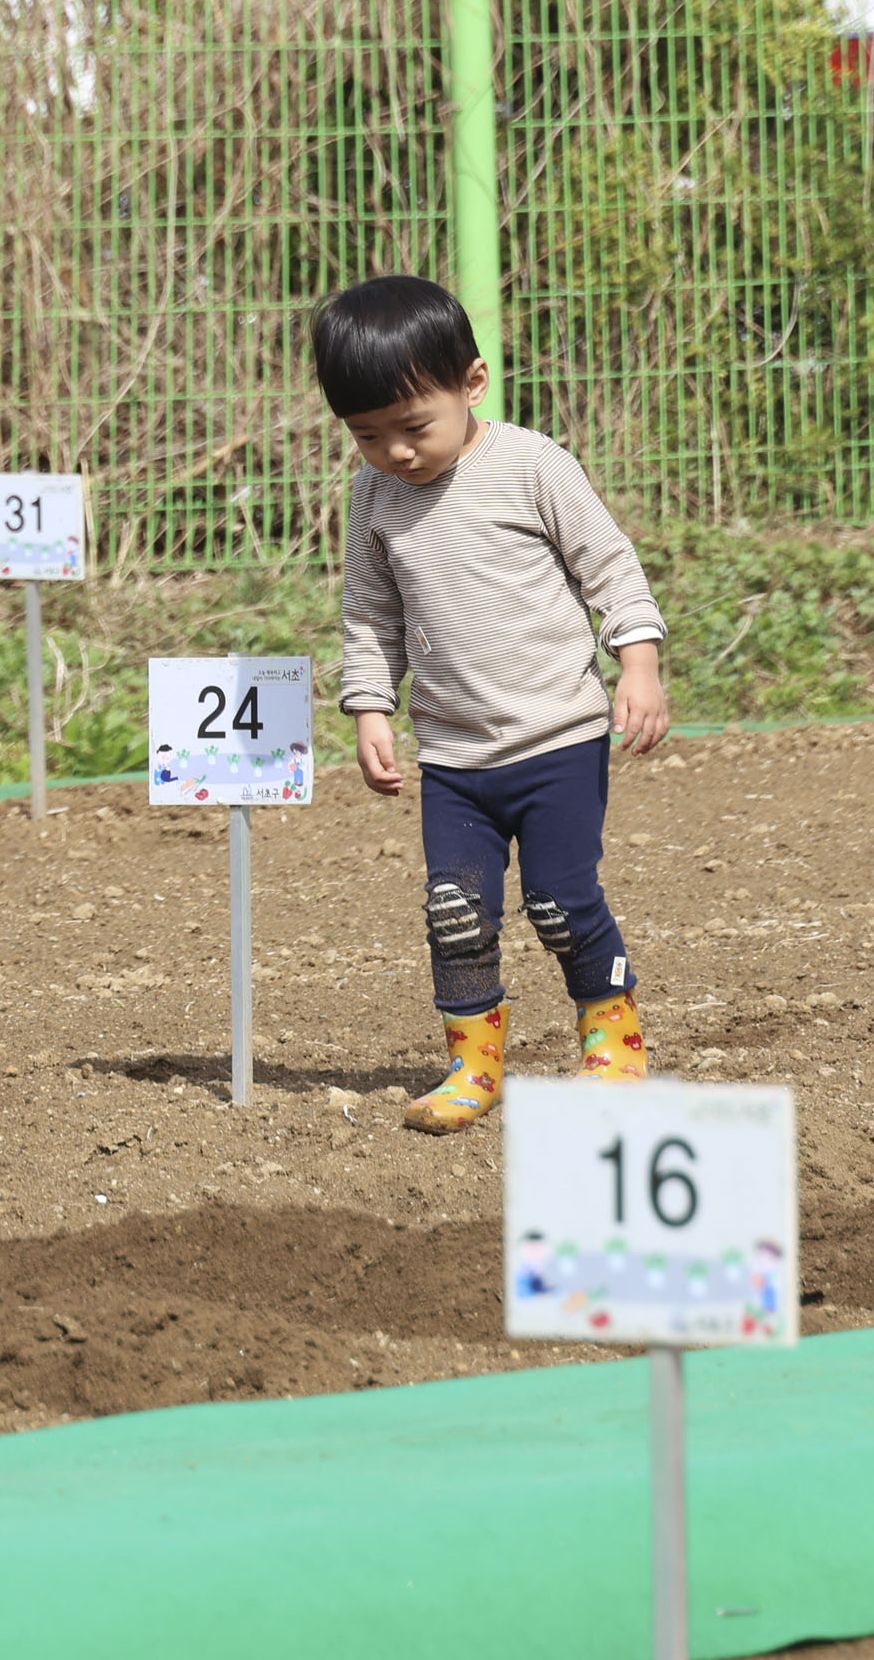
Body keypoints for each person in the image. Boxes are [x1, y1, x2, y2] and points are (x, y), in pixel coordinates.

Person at [320, 274, 670, 1135]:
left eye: (412, 427)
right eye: (368, 435)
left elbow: (611, 567)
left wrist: (639, 663)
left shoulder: (531, 465)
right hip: (455, 756)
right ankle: (473, 1069)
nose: (395, 452)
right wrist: (371, 710)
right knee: (455, 909)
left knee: (559, 900)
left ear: (472, 385)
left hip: (557, 737)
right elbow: (369, 612)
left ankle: (614, 1046)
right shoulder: (374, 497)